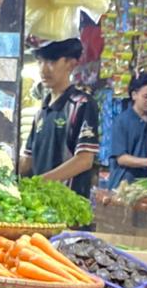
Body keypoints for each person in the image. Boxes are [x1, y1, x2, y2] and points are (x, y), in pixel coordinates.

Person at [18, 38, 100, 198]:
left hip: (66, 205)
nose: (43, 69)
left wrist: (40, 182)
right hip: (38, 205)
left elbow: (84, 160)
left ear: (71, 63)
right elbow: (27, 160)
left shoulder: (82, 104)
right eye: (40, 62)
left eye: (52, 61)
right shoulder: (42, 110)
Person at [105, 73, 147, 189]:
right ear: (134, 95)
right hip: (124, 185)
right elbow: (121, 158)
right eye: (146, 96)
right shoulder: (121, 121)